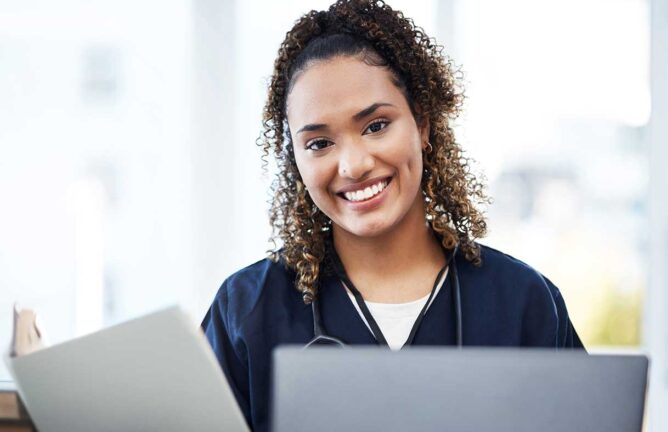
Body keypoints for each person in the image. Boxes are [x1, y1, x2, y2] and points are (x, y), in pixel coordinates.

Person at [202, 0, 585, 430]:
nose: (352, 165)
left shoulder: (523, 302)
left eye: (376, 126)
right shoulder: (246, 311)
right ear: (295, 159)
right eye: (319, 143)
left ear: (421, 123)